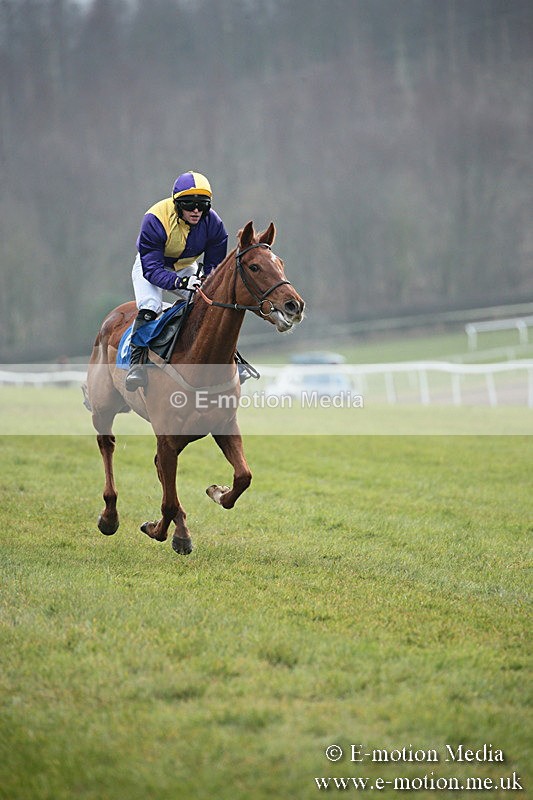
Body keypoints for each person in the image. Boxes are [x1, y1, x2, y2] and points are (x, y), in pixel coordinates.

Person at [126, 171, 228, 391]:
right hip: (151, 266)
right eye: (189, 204)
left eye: (202, 205)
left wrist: (205, 280)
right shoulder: (155, 219)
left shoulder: (214, 224)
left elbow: (214, 268)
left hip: (184, 267)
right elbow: (152, 270)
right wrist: (181, 283)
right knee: (150, 306)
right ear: (177, 204)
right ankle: (136, 363)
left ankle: (230, 358)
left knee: (212, 303)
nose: (196, 210)